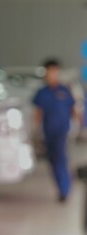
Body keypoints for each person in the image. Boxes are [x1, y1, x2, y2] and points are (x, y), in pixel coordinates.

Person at [33, 59, 79, 203]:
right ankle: (62, 188)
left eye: (55, 71)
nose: (52, 74)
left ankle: (65, 189)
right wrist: (36, 131)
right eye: (49, 71)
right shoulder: (42, 93)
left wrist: (79, 127)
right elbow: (38, 113)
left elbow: (74, 109)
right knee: (53, 161)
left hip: (62, 131)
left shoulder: (64, 90)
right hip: (48, 132)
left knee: (60, 159)